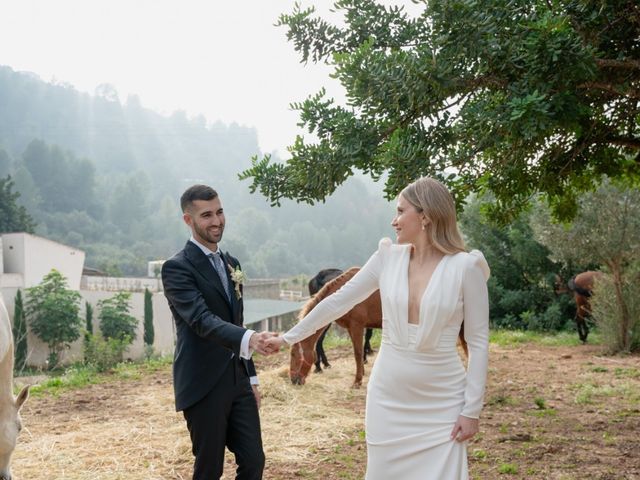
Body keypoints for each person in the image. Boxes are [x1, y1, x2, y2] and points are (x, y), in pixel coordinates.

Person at [266, 176, 490, 480]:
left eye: (400, 211)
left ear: (425, 216)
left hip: (443, 400)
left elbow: (478, 344)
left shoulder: (467, 268)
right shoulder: (387, 258)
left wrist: (471, 410)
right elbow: (337, 302)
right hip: (388, 397)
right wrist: (288, 336)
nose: (393, 221)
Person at [161, 184, 277, 480]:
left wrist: (251, 377)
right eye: (207, 215)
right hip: (203, 384)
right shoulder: (177, 268)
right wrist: (251, 338)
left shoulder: (232, 264)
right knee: (209, 469)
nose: (217, 221)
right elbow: (201, 319)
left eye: (220, 212)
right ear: (189, 220)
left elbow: (236, 322)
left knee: (254, 462)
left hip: (239, 380)